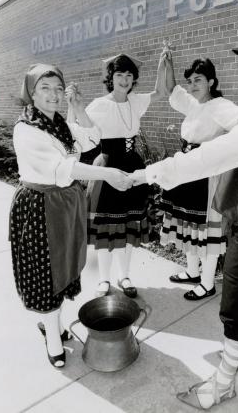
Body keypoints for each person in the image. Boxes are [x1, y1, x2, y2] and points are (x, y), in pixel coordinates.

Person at [131, 18, 238, 409]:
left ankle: (223, 384)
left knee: (234, 308)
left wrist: (148, 174)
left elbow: (217, 154)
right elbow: (211, 115)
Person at [10, 63, 132, 369]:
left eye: (57, 88)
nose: (52, 95)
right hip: (39, 207)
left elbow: (90, 141)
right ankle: (53, 336)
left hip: (63, 206)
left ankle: (52, 324)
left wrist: (77, 106)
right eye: (44, 88)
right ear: (31, 93)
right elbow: (63, 168)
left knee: (62, 269)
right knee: (46, 273)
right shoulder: (26, 129)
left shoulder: (58, 124)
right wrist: (108, 173)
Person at [68, 53, 166, 298]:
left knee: (127, 225)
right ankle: (104, 279)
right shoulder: (100, 104)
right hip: (108, 167)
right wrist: (75, 106)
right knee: (106, 225)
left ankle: (124, 276)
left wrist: (164, 64)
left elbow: (160, 92)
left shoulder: (136, 101)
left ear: (134, 79)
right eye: (119, 75)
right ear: (111, 78)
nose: (125, 80)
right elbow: (80, 129)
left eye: (129, 75)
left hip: (132, 167)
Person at [159, 52, 238, 300]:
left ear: (212, 82)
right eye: (191, 81)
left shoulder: (220, 106)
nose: (193, 85)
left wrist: (222, 151)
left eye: (198, 80)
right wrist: (168, 65)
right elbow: (171, 88)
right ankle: (192, 272)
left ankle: (208, 283)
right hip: (188, 171)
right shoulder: (195, 104)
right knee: (189, 224)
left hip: (206, 176)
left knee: (206, 229)